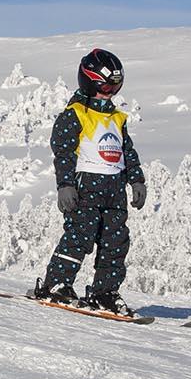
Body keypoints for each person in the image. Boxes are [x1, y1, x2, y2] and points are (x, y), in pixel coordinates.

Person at [29, 49, 148, 316]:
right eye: (104, 86)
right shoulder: (75, 114)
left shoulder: (118, 118)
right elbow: (63, 152)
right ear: (89, 82)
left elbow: (127, 152)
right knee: (79, 237)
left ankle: (104, 293)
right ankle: (56, 284)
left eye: (115, 87)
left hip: (114, 191)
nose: (109, 92)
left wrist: (137, 180)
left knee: (116, 242)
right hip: (85, 189)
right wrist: (65, 185)